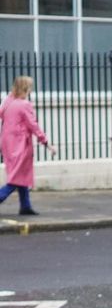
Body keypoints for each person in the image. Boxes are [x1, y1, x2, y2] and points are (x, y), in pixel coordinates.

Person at [0, 76, 56, 216]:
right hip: (20, 144)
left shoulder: (8, 101)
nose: (30, 90)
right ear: (25, 88)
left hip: (7, 143)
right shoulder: (25, 104)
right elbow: (33, 126)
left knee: (21, 173)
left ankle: (25, 206)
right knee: (16, 177)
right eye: (29, 87)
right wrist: (47, 143)